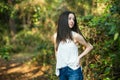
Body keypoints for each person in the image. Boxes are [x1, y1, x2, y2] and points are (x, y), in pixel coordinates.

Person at [52, 11, 93, 80]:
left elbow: (90, 46)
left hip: (74, 70)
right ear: (63, 20)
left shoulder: (75, 35)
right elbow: (56, 51)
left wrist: (79, 57)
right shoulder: (55, 36)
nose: (72, 21)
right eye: (69, 19)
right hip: (62, 70)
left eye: (73, 19)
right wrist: (58, 64)